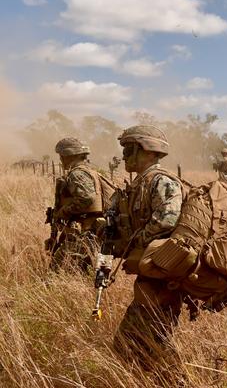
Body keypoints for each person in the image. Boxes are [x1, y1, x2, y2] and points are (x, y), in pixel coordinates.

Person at [112, 125, 184, 368]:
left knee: (148, 347)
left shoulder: (161, 182)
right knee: (142, 347)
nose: (124, 156)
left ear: (149, 151)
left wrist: (135, 242)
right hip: (150, 279)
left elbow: (167, 219)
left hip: (163, 280)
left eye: (129, 149)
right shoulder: (140, 184)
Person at [47, 138, 104, 272]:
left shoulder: (77, 173)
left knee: (57, 270)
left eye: (62, 156)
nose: (61, 159)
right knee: (82, 270)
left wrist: (64, 211)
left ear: (69, 155)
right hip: (89, 230)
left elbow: (86, 198)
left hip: (83, 231)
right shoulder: (91, 172)